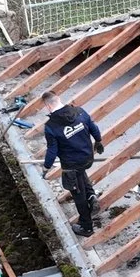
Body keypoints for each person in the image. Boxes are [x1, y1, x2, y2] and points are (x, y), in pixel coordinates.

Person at [40, 101, 105, 237]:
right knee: (81, 174)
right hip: (87, 158)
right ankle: (92, 197)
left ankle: (86, 227)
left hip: (71, 165)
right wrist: (98, 140)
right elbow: (93, 127)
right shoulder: (80, 112)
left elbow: (52, 150)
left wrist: (46, 167)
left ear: (48, 106)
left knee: (78, 194)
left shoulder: (51, 127)